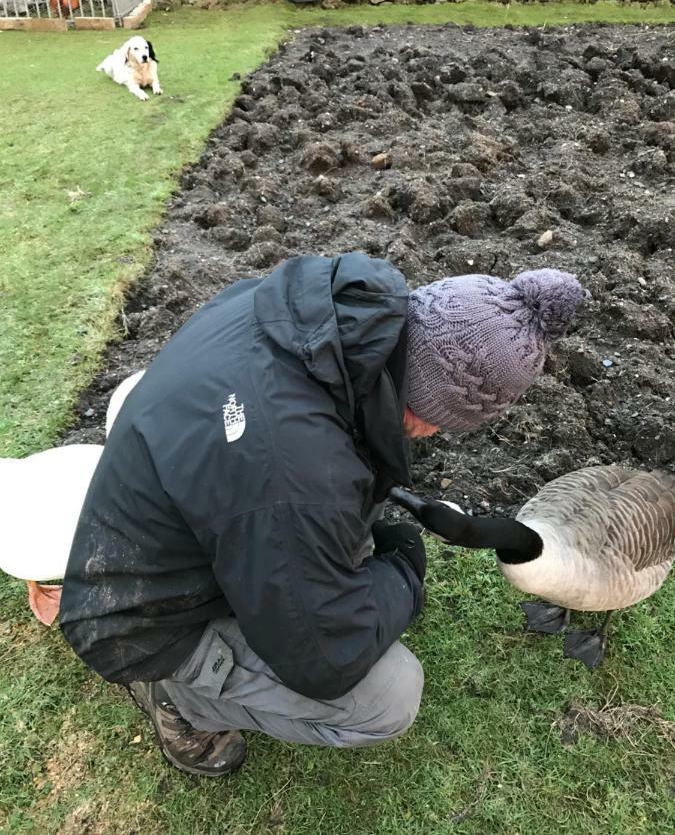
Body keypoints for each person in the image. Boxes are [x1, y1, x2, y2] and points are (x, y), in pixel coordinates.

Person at [60, 252, 584, 777]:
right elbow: (326, 656)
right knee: (389, 696)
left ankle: (253, 615)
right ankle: (179, 699)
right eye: (441, 422)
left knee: (338, 529)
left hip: (178, 512)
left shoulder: (307, 316)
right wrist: (403, 575)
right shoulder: (297, 473)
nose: (436, 435)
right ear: (431, 396)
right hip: (140, 615)